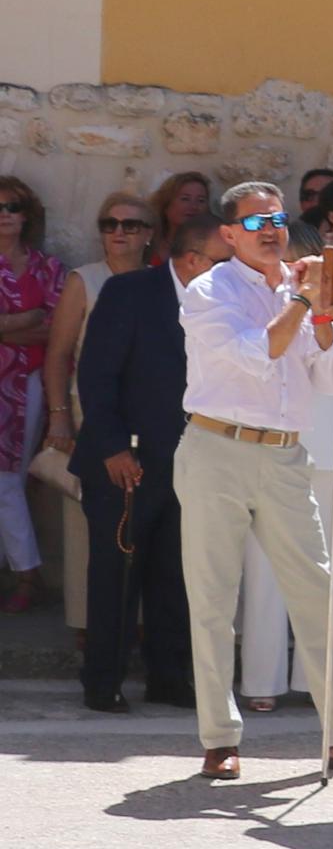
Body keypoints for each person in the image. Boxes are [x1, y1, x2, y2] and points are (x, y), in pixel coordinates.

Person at [173, 184, 333, 783]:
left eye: (278, 219)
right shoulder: (208, 290)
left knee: (319, 594)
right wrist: (303, 297)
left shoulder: (300, 290)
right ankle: (219, 739)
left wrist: (326, 314)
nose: (270, 230)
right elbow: (260, 353)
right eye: (255, 222)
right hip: (216, 449)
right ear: (229, 234)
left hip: (283, 456)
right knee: (214, 599)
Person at [72, 205, 205, 714]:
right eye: (220, 258)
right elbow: (97, 373)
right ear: (192, 258)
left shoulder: (222, 301)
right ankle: (102, 680)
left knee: (176, 574)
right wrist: (111, 447)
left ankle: (169, 677)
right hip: (124, 462)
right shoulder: (130, 292)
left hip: (190, 460)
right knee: (116, 575)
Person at [43, 187, 157, 662]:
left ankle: (143, 625)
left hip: (148, 422)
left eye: (130, 225)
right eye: (109, 224)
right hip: (90, 416)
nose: (118, 233)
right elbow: (60, 354)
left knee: (149, 527)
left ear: (148, 234)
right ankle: (89, 626)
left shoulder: (160, 282)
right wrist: (60, 418)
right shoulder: (84, 280)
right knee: (88, 527)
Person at [0, 174, 61, 610]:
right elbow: (37, 322)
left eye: (12, 208)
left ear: (27, 215)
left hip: (33, 383)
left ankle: (24, 575)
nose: (5, 216)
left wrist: (9, 327)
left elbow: (56, 328)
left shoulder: (47, 267)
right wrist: (27, 319)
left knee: (12, 480)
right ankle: (26, 575)